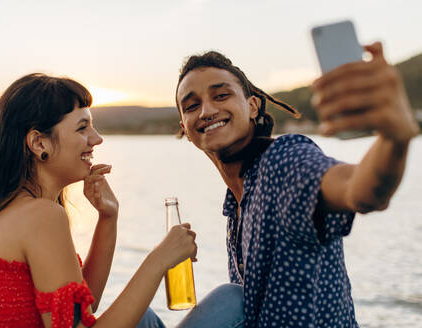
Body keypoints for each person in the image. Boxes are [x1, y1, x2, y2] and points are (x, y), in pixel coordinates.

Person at [0, 73, 245, 328]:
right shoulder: (41, 216)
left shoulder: (14, 210)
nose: (97, 139)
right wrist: (158, 261)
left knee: (141, 318)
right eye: (82, 128)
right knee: (232, 301)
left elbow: (80, 310)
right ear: (39, 143)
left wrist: (108, 218)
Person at [174, 43, 419, 328]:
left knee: (229, 298)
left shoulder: (284, 162)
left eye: (221, 95)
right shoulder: (235, 203)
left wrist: (394, 138)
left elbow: (360, 190)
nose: (206, 111)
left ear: (252, 106)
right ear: (184, 127)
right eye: (192, 106)